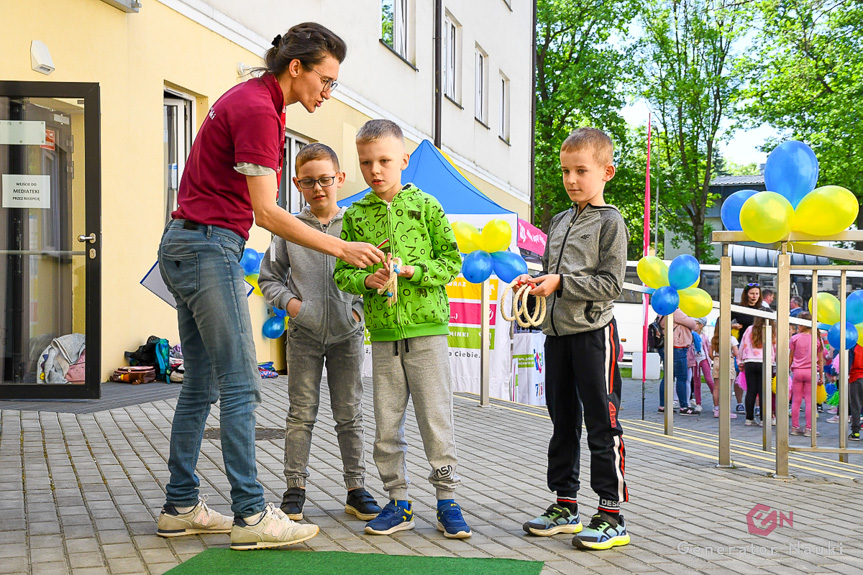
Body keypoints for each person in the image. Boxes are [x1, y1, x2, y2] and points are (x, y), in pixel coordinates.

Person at [156, 23, 384, 551]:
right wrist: (341, 247)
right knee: (242, 384)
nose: (329, 91)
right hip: (209, 248)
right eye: (325, 79)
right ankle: (252, 514)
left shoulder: (257, 100)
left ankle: (180, 505)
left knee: (201, 385)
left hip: (188, 244)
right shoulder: (260, 109)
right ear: (297, 68)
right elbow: (266, 212)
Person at [333, 119, 470, 539]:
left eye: (384, 161)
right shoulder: (355, 215)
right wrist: (365, 280)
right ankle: (399, 500)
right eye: (366, 162)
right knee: (386, 425)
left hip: (427, 332)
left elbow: (452, 262)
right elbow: (342, 274)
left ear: (404, 161)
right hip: (384, 337)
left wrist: (411, 270)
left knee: (435, 419)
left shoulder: (427, 206)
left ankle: (447, 500)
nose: (375, 170)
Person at [517, 127, 629, 551]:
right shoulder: (560, 220)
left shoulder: (611, 222)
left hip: (594, 337)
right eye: (566, 170)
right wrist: (537, 281)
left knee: (603, 424)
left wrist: (561, 282)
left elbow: (611, 285)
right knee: (563, 422)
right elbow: (554, 275)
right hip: (556, 335)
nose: (571, 179)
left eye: (581, 170)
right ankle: (565, 506)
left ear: (606, 172)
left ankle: (611, 514)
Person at [258, 143, 381, 523]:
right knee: (300, 414)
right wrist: (296, 307)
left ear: (340, 179)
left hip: (348, 335)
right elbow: (269, 278)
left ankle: (356, 489)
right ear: (297, 184)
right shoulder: (289, 230)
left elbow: (375, 275)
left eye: (325, 180)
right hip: (304, 334)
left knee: (350, 414)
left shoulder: (356, 225)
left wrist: (357, 313)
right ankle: (295, 487)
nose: (318, 189)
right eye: (309, 182)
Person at [788, 312, 823, 437]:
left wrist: (787, 371)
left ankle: (795, 427)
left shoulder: (795, 338)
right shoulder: (817, 339)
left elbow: (790, 357)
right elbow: (820, 359)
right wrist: (822, 376)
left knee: (796, 400)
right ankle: (809, 429)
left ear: (802, 325)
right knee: (809, 401)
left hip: (797, 372)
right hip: (811, 371)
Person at [739, 316, 777, 426]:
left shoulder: (749, 329)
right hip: (765, 362)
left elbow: (742, 345)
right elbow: (775, 347)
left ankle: (749, 418)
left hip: (749, 361)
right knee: (763, 392)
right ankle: (763, 419)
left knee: (751, 391)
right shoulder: (771, 330)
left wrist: (740, 361)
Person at [659, 310, 699, 415]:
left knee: (668, 376)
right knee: (682, 377)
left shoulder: (662, 311)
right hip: (677, 347)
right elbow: (693, 324)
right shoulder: (675, 312)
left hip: (667, 346)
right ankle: (684, 407)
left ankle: (663, 405)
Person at [710, 319, 739, 419]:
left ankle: (716, 409)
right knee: (727, 387)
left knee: (717, 387)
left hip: (717, 359)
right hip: (728, 360)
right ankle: (726, 410)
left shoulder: (714, 339)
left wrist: (714, 358)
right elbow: (736, 352)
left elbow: (710, 353)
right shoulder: (731, 339)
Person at [691, 318, 715, 415]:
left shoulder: (704, 337)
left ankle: (716, 401)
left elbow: (707, 348)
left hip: (703, 359)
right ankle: (698, 403)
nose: (693, 325)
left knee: (709, 380)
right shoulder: (690, 335)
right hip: (694, 361)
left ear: (701, 325)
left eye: (695, 324)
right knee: (696, 383)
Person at [848, 343, 863, 441]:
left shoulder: (853, 346)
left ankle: (855, 432)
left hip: (856, 378)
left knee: (856, 405)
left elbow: (848, 364)